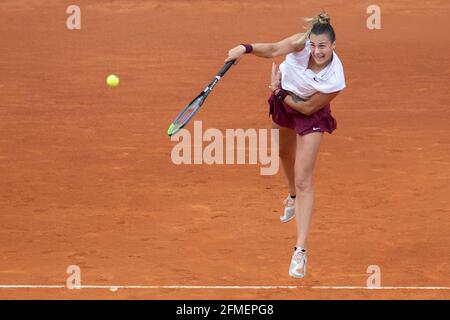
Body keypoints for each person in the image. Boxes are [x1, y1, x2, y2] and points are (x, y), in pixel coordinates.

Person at [225, 11, 346, 278]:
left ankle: (300, 252)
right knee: (282, 152)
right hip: (283, 102)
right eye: (313, 45)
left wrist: (277, 90)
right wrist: (243, 48)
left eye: (323, 46)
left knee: (305, 180)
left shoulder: (335, 77)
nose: (316, 51)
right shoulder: (300, 43)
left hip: (309, 112)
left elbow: (306, 108)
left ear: (333, 46)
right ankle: (291, 197)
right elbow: (272, 50)